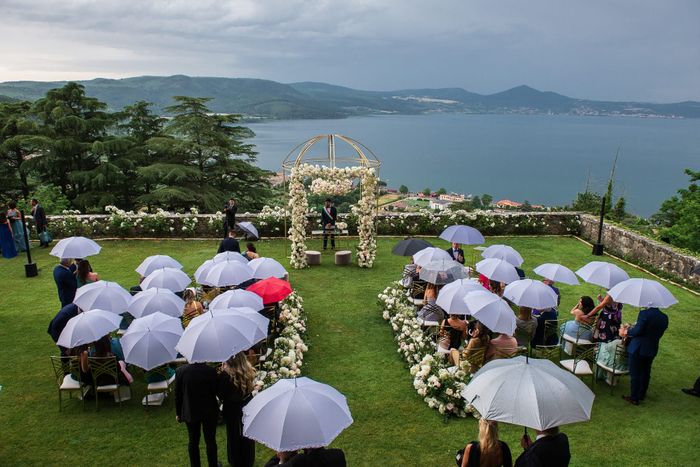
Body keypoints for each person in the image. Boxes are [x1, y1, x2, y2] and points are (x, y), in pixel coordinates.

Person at [620, 306, 669, 405]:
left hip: (638, 348)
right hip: (651, 348)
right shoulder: (664, 317)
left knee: (635, 373)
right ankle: (641, 394)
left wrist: (626, 331)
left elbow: (637, 331)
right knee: (646, 372)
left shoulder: (644, 314)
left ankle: (634, 397)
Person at [175, 362, 220, 467]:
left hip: (191, 410)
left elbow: (178, 395)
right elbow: (216, 391)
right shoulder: (210, 371)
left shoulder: (180, 371)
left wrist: (178, 412)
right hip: (209, 411)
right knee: (210, 440)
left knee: (193, 441)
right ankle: (213, 464)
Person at [218, 352, 256, 467]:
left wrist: (222, 372)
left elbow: (220, 394)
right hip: (247, 406)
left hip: (233, 411)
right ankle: (248, 460)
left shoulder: (226, 376)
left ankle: (237, 461)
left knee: (234, 436)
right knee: (247, 435)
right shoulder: (248, 370)